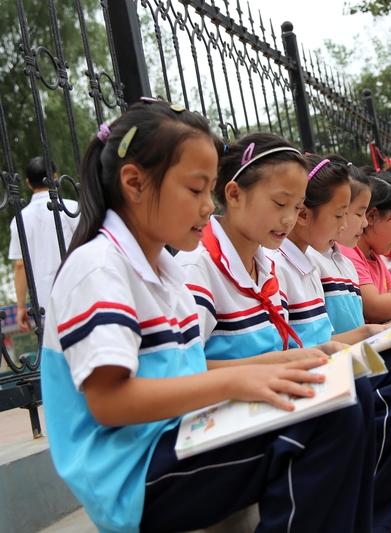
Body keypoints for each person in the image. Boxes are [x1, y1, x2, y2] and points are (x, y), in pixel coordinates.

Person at [41, 101, 369, 532]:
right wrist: (236, 381)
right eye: (196, 190)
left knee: (341, 394)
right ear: (135, 183)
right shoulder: (99, 267)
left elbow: (188, 370)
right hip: (133, 475)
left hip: (179, 436)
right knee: (328, 421)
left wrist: (278, 363)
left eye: (209, 189)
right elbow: (109, 402)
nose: (206, 206)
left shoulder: (164, 270)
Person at [298, 156, 391, 530]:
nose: (361, 221)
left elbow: (349, 324)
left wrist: (376, 333)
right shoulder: (303, 260)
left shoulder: (336, 258)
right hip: (323, 366)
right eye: (352, 212)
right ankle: (382, 507)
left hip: (345, 355)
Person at [8, 156, 79, 331]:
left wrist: (21, 307)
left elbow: (20, 265)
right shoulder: (72, 208)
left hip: (44, 303)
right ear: (55, 176)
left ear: (27, 183)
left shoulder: (19, 220)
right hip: (78, 293)